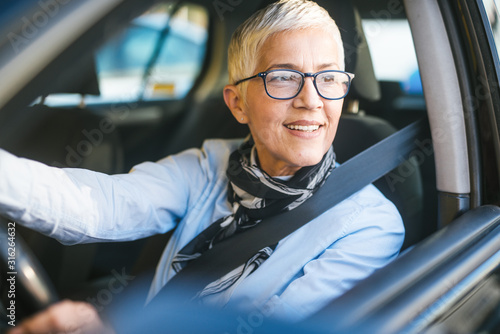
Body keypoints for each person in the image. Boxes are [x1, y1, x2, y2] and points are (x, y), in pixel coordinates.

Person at [4, 0, 404, 333]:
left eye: (329, 78)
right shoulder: (209, 164)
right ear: (237, 103)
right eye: (283, 78)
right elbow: (98, 206)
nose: (312, 100)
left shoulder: (369, 224)